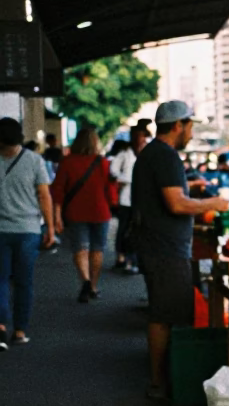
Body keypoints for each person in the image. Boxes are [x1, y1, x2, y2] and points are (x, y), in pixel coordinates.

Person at [131, 100, 229, 400]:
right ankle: (160, 383)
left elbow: (170, 193)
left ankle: (165, 378)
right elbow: (175, 204)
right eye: (189, 126)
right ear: (178, 125)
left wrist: (190, 184)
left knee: (167, 311)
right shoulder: (165, 155)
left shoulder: (155, 154)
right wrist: (214, 203)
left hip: (158, 244)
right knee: (165, 314)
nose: (190, 133)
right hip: (164, 249)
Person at [0, 116, 55, 351]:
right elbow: (44, 195)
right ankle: (19, 331)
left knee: (0, 281)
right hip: (28, 231)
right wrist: (50, 228)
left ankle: (1, 326)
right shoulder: (34, 160)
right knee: (24, 282)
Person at [51, 125, 113, 303]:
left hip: (75, 212)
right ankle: (93, 286)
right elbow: (109, 189)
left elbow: (58, 191)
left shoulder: (67, 162)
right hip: (100, 211)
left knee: (80, 248)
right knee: (97, 249)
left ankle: (85, 280)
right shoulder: (102, 163)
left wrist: (56, 216)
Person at [110, 132, 140, 273]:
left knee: (136, 230)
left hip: (140, 198)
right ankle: (122, 257)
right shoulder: (124, 154)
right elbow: (113, 170)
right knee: (124, 229)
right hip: (127, 197)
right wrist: (127, 179)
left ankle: (132, 259)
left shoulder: (143, 153)